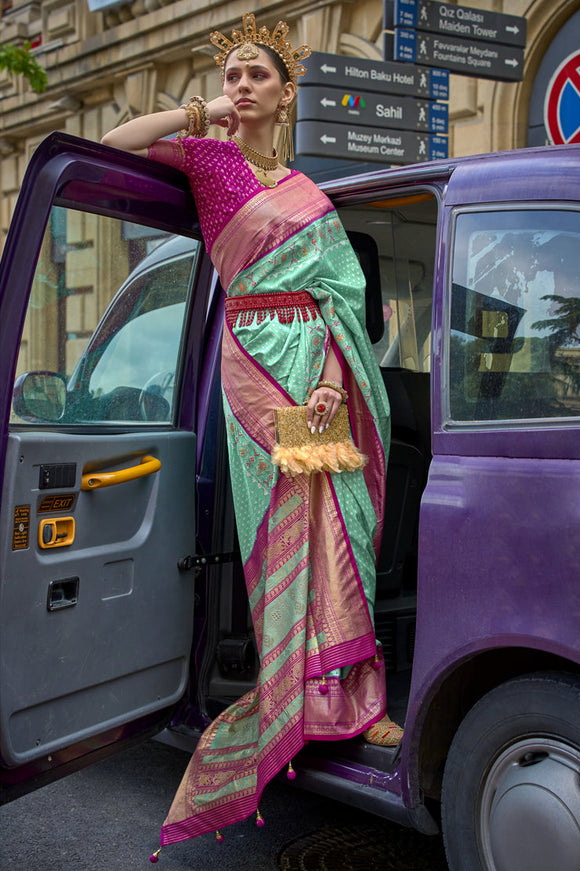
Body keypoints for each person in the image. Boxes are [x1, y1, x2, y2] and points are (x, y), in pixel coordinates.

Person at [101, 12, 398, 860]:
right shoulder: (208, 159)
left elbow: (339, 299)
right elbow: (115, 142)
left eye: (255, 75)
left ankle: (355, 698)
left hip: (319, 369)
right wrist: (197, 114)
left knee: (341, 526)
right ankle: (294, 694)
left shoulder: (307, 193)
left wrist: (333, 376)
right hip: (255, 366)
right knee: (282, 532)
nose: (240, 85)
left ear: (285, 92)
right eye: (231, 73)